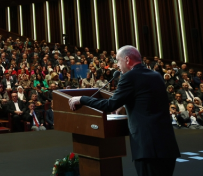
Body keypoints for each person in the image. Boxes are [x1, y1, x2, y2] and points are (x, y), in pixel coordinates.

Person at [69, 45, 180, 176]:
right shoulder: (156, 76)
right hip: (167, 146)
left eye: (118, 60)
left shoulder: (129, 77)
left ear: (127, 59)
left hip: (148, 148)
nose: (117, 65)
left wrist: (83, 99)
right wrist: (125, 104)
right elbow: (146, 101)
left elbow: (109, 105)